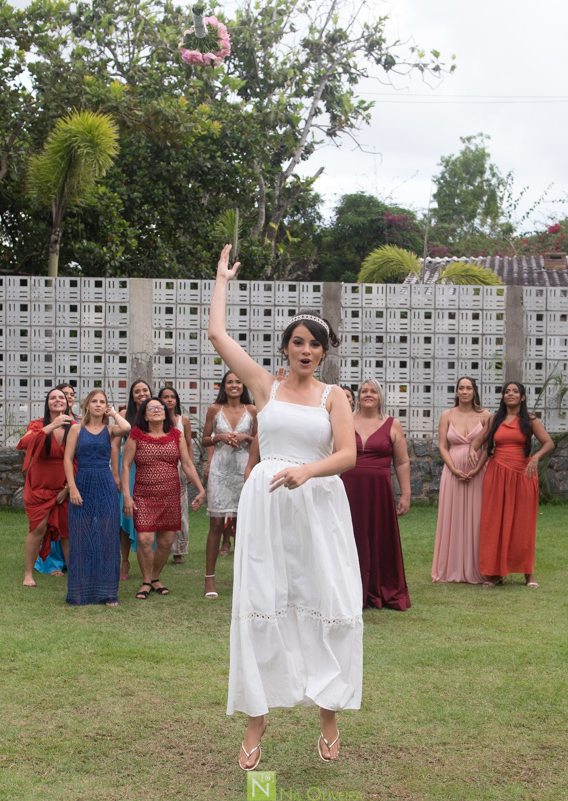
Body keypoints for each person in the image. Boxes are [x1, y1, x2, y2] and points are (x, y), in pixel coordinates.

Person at [208, 244, 361, 770]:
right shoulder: (263, 385)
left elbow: (347, 454)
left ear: (323, 352)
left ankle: (329, 714)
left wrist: (306, 470)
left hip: (317, 506)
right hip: (267, 507)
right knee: (263, 601)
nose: (304, 350)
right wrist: (222, 280)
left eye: (313, 344)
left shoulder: (333, 397)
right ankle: (257, 721)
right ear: (287, 347)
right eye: (297, 342)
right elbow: (218, 336)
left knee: (325, 599)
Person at [473, 381, 554, 588]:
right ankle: (495, 573)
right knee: (494, 522)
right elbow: (479, 442)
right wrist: (472, 450)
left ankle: (528, 573)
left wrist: (535, 458)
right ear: (503, 397)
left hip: (523, 474)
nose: (510, 394)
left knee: (523, 524)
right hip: (497, 473)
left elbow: (548, 443)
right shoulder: (494, 420)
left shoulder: (531, 420)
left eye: (515, 391)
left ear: (522, 397)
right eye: (507, 391)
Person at [121, 398, 205, 599]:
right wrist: (126, 495)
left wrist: (201, 489)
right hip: (143, 495)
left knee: (167, 541)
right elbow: (125, 466)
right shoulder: (136, 435)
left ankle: (155, 578)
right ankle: (145, 580)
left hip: (170, 494)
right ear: (144, 414)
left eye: (160, 408)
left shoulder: (176, 435)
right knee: (145, 539)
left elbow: (187, 464)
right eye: (151, 408)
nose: (157, 410)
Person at [342, 378, 411, 611]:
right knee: (350, 537)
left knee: (380, 538)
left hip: (380, 492)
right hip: (349, 489)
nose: (368, 394)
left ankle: (381, 587)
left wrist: (406, 494)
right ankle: (350, 589)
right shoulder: (344, 421)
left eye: (373, 391)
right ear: (358, 396)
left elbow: (401, 462)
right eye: (363, 391)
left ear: (380, 396)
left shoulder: (393, 424)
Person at [63, 389, 130, 606]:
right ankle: (79, 592)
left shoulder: (110, 430)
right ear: (87, 405)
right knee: (81, 538)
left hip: (105, 484)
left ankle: (108, 592)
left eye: (103, 402)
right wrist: (72, 488)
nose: (99, 405)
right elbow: (67, 459)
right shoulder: (76, 429)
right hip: (82, 482)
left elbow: (127, 427)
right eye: (95, 401)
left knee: (107, 537)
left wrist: (114, 413)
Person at [200, 370, 256, 599]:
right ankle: (209, 579)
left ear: (244, 386)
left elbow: (262, 441)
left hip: (244, 470)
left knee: (244, 527)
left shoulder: (252, 410)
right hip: (220, 471)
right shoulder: (215, 409)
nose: (234, 385)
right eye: (230, 382)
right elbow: (204, 439)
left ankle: (245, 579)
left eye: (238, 382)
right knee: (216, 524)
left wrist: (246, 438)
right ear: (224, 386)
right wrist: (219, 438)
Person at [432, 377, 492, 584]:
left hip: (478, 471)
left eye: (468, 388)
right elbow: (442, 445)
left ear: (474, 391)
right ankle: (451, 568)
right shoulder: (446, 415)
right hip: (453, 471)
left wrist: (476, 469)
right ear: (456, 392)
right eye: (461, 388)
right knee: (453, 516)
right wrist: (454, 469)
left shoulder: (486, 416)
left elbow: (488, 447)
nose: (465, 391)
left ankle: (479, 568)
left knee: (478, 517)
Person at [18, 388, 74, 587]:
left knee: (67, 531)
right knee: (38, 527)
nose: (58, 400)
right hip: (39, 485)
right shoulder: (37, 425)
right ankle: (28, 574)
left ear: (67, 402)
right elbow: (25, 443)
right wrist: (51, 426)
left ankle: (75, 575)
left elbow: (77, 459)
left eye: (61, 397)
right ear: (47, 403)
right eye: (53, 397)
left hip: (64, 485)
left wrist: (67, 489)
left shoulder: (74, 426)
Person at [118, 380, 152, 581]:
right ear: (132, 396)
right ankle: (124, 561)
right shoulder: (124, 416)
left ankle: (148, 562)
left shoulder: (157, 412)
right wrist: (115, 473)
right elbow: (115, 446)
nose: (141, 394)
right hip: (128, 469)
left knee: (149, 514)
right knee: (126, 515)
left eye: (144, 390)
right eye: (137, 391)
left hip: (149, 468)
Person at [158, 386, 194, 565]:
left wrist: (190, 468)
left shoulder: (184, 420)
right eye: (165, 397)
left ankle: (178, 550)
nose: (169, 400)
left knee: (180, 510)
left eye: (173, 397)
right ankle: (161, 548)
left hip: (180, 467)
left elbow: (189, 444)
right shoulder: (157, 419)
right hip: (160, 468)